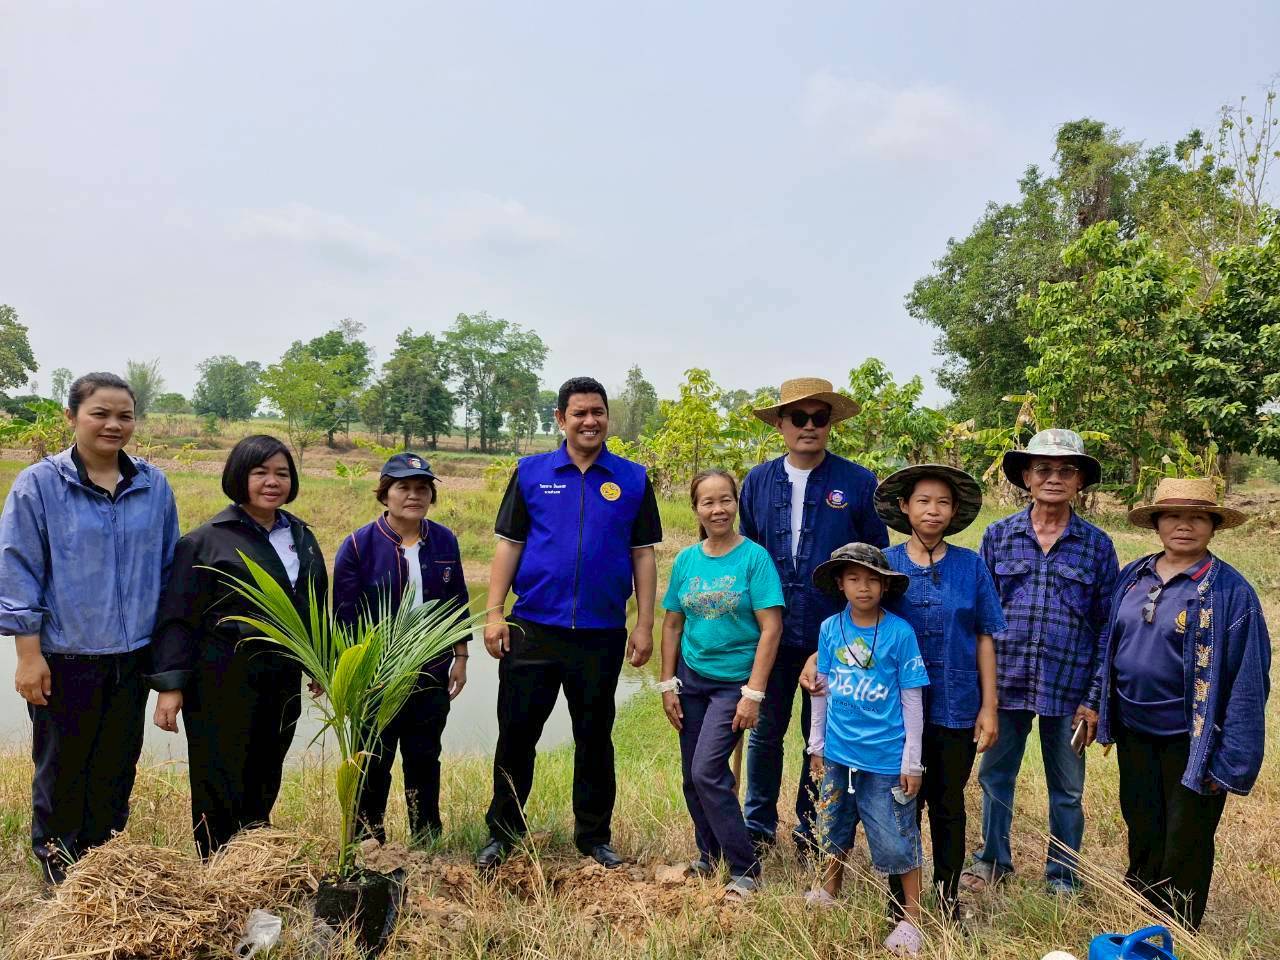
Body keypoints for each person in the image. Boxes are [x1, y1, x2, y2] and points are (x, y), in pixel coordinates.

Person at [477, 376, 663, 871]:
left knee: (595, 738)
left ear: (608, 417)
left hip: (601, 634)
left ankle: (594, 838)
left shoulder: (633, 479)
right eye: (578, 412)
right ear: (560, 419)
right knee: (516, 736)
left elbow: (642, 555)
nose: (589, 421)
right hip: (532, 629)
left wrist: (643, 625)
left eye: (597, 412)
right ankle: (502, 833)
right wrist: (494, 614)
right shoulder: (530, 473)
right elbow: (509, 544)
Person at [0, 373, 179, 882]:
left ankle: (103, 863)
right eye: (100, 413)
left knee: (117, 766)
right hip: (65, 655)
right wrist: (27, 656)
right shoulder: (38, 485)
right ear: (71, 417)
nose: (113, 424)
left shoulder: (154, 485)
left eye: (124, 415)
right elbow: (18, 570)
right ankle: (59, 869)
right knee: (61, 769)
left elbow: (168, 571)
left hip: (132, 657)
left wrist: (166, 664)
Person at [1097, 477, 1270, 929]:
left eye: (1197, 517)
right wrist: (1094, 705)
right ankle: (1143, 913)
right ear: (1157, 522)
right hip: (1135, 728)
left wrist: (1231, 760)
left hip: (1193, 740)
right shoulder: (1134, 575)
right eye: (1173, 515)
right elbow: (1107, 646)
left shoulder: (1231, 593)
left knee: (1187, 836)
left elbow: (1249, 683)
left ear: (1213, 526)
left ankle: (1179, 928)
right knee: (1142, 821)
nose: (1184, 526)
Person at [149, 435, 327, 858]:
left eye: (282, 473)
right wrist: (171, 686)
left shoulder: (300, 536)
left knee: (266, 768)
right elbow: (178, 619)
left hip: (280, 678)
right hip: (219, 678)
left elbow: (316, 605)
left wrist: (318, 662)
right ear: (238, 477)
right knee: (219, 772)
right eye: (260, 472)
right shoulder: (206, 540)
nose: (272, 482)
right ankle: (215, 863)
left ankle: (253, 856)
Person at [962, 428, 1119, 896]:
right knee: (994, 776)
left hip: (1068, 688)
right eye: (1043, 469)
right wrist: (981, 694)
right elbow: (980, 619)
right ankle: (992, 859)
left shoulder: (1097, 545)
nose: (1054, 478)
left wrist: (1094, 700)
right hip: (1005, 683)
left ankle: (1063, 875)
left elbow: (1107, 628)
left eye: (1066, 470)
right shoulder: (998, 536)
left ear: (1079, 482)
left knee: (1067, 789)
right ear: (1027, 477)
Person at [738, 377, 889, 859]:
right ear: (780, 424)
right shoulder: (758, 481)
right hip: (769, 631)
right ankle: (758, 827)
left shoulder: (859, 483)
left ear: (830, 425)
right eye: (797, 418)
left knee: (820, 736)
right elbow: (745, 553)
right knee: (764, 731)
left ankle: (811, 829)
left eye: (818, 418)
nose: (808, 427)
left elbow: (874, 558)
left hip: (833, 633)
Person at [875, 464, 1004, 919]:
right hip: (895, 712)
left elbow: (986, 635)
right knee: (900, 802)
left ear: (954, 513)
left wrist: (989, 706)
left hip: (956, 706)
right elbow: (860, 625)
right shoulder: (885, 564)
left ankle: (948, 900)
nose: (933, 510)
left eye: (943, 502)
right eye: (923, 501)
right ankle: (900, 904)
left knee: (948, 807)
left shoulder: (971, 566)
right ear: (905, 508)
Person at [332, 453, 470, 845]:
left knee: (424, 759)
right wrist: (346, 675)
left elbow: (456, 603)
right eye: (403, 487)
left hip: (430, 670)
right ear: (385, 494)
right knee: (373, 761)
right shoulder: (359, 545)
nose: (414, 495)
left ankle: (426, 841)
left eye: (422, 488)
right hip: (375, 676)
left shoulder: (444, 540)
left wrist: (460, 658)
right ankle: (368, 842)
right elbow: (343, 616)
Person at [658, 469, 784, 900]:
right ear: (695, 509)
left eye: (725, 500)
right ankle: (707, 856)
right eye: (708, 502)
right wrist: (666, 684)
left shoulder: (754, 559)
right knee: (691, 778)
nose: (718, 509)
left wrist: (753, 692)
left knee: (708, 771)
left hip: (734, 684)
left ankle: (745, 868)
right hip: (691, 679)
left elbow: (771, 629)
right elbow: (673, 624)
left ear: (736, 504)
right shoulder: (687, 560)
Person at [803, 543, 929, 958]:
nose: (863, 587)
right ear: (840, 584)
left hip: (885, 759)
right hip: (838, 753)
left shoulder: (899, 633)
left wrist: (912, 761)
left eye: (872, 579)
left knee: (896, 837)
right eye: (854, 578)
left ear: (885, 585)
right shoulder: (828, 630)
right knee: (833, 823)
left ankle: (912, 917)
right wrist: (816, 746)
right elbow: (819, 691)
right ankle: (829, 885)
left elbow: (912, 700)